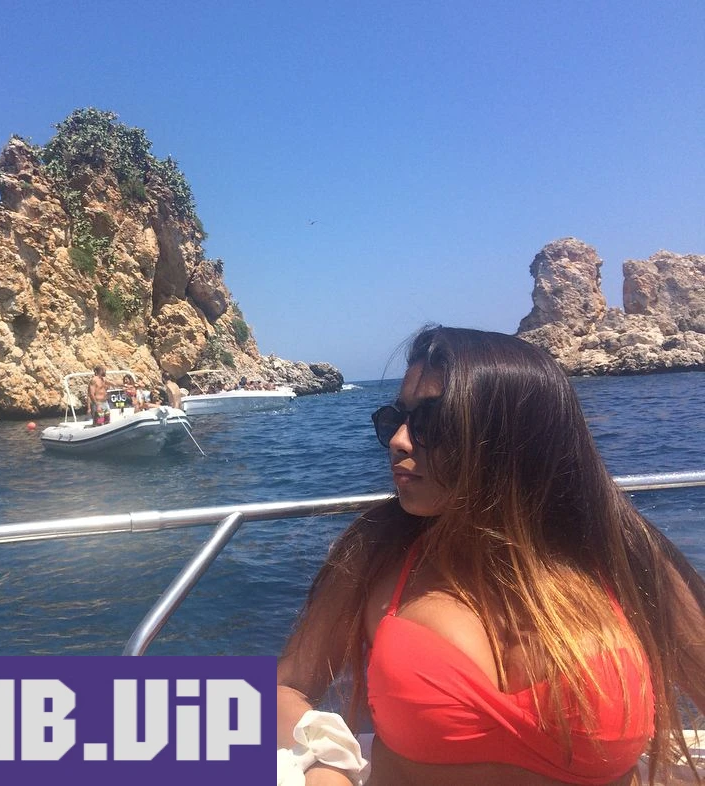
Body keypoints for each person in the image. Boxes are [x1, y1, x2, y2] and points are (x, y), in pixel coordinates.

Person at [277, 326, 705, 786]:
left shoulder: (623, 555)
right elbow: (272, 692)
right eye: (395, 419)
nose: (399, 440)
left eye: (431, 422)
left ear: (514, 438)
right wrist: (322, 763)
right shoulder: (377, 549)